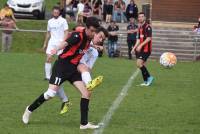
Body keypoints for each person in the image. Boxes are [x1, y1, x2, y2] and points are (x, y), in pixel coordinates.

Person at [22, 16, 100, 129]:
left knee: (87, 93)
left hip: (73, 69)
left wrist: (94, 45)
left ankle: (84, 124)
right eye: (92, 31)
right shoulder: (77, 35)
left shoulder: (89, 38)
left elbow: (84, 45)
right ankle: (29, 110)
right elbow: (65, 43)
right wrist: (55, 50)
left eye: (95, 31)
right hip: (62, 66)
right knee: (50, 94)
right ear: (86, 28)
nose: (93, 33)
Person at [59, 26, 109, 114]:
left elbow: (89, 68)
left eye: (103, 39)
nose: (101, 40)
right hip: (65, 63)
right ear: (94, 32)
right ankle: (65, 101)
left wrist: (85, 77)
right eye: (100, 36)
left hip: (78, 69)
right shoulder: (84, 38)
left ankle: (84, 121)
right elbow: (77, 30)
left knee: (87, 93)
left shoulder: (95, 52)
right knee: (53, 88)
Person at [43, 6, 68, 81]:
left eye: (57, 12)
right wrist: (45, 43)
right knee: (48, 58)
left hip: (60, 43)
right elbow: (48, 33)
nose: (55, 13)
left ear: (59, 13)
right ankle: (47, 76)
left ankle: (61, 75)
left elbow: (66, 32)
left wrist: (63, 42)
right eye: (54, 12)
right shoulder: (49, 21)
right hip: (51, 43)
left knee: (60, 60)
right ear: (52, 12)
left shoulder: (63, 21)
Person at [131, 12, 154, 86]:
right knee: (141, 64)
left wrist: (140, 45)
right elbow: (138, 39)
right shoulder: (140, 27)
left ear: (144, 18)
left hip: (146, 49)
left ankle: (149, 77)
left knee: (139, 63)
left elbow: (149, 38)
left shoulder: (148, 27)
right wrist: (134, 48)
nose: (140, 18)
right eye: (139, 17)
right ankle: (146, 81)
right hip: (141, 49)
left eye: (142, 16)